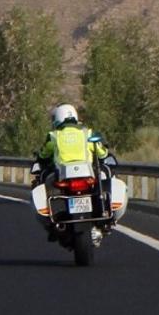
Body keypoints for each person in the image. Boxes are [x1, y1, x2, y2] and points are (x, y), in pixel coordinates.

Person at [33, 103, 112, 240]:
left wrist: (40, 157)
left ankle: (52, 222)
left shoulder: (53, 136)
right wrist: (104, 152)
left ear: (58, 118)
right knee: (103, 179)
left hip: (64, 176)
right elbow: (102, 153)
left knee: (46, 183)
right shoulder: (87, 132)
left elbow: (44, 154)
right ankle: (104, 216)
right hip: (87, 175)